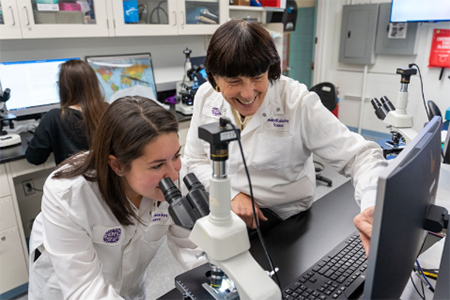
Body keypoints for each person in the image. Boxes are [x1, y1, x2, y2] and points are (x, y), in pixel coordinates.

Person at [183, 19, 388, 255]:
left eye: (258, 78)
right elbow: (195, 159)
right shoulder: (205, 97)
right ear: (214, 78)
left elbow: (361, 156)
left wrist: (372, 204)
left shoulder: (297, 102)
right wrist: (232, 195)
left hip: (285, 216)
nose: (248, 93)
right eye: (234, 82)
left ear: (270, 69)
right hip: (227, 207)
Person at [28, 97, 204, 299]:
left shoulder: (176, 176)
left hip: (128, 285)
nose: (173, 174)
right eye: (157, 165)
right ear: (117, 165)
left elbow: (191, 246)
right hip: (66, 287)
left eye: (176, 155)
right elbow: (85, 290)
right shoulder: (68, 194)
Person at [26, 59, 109, 165]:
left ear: (63, 88)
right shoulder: (109, 110)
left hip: (71, 180)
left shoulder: (54, 117)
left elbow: (34, 158)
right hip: (105, 180)